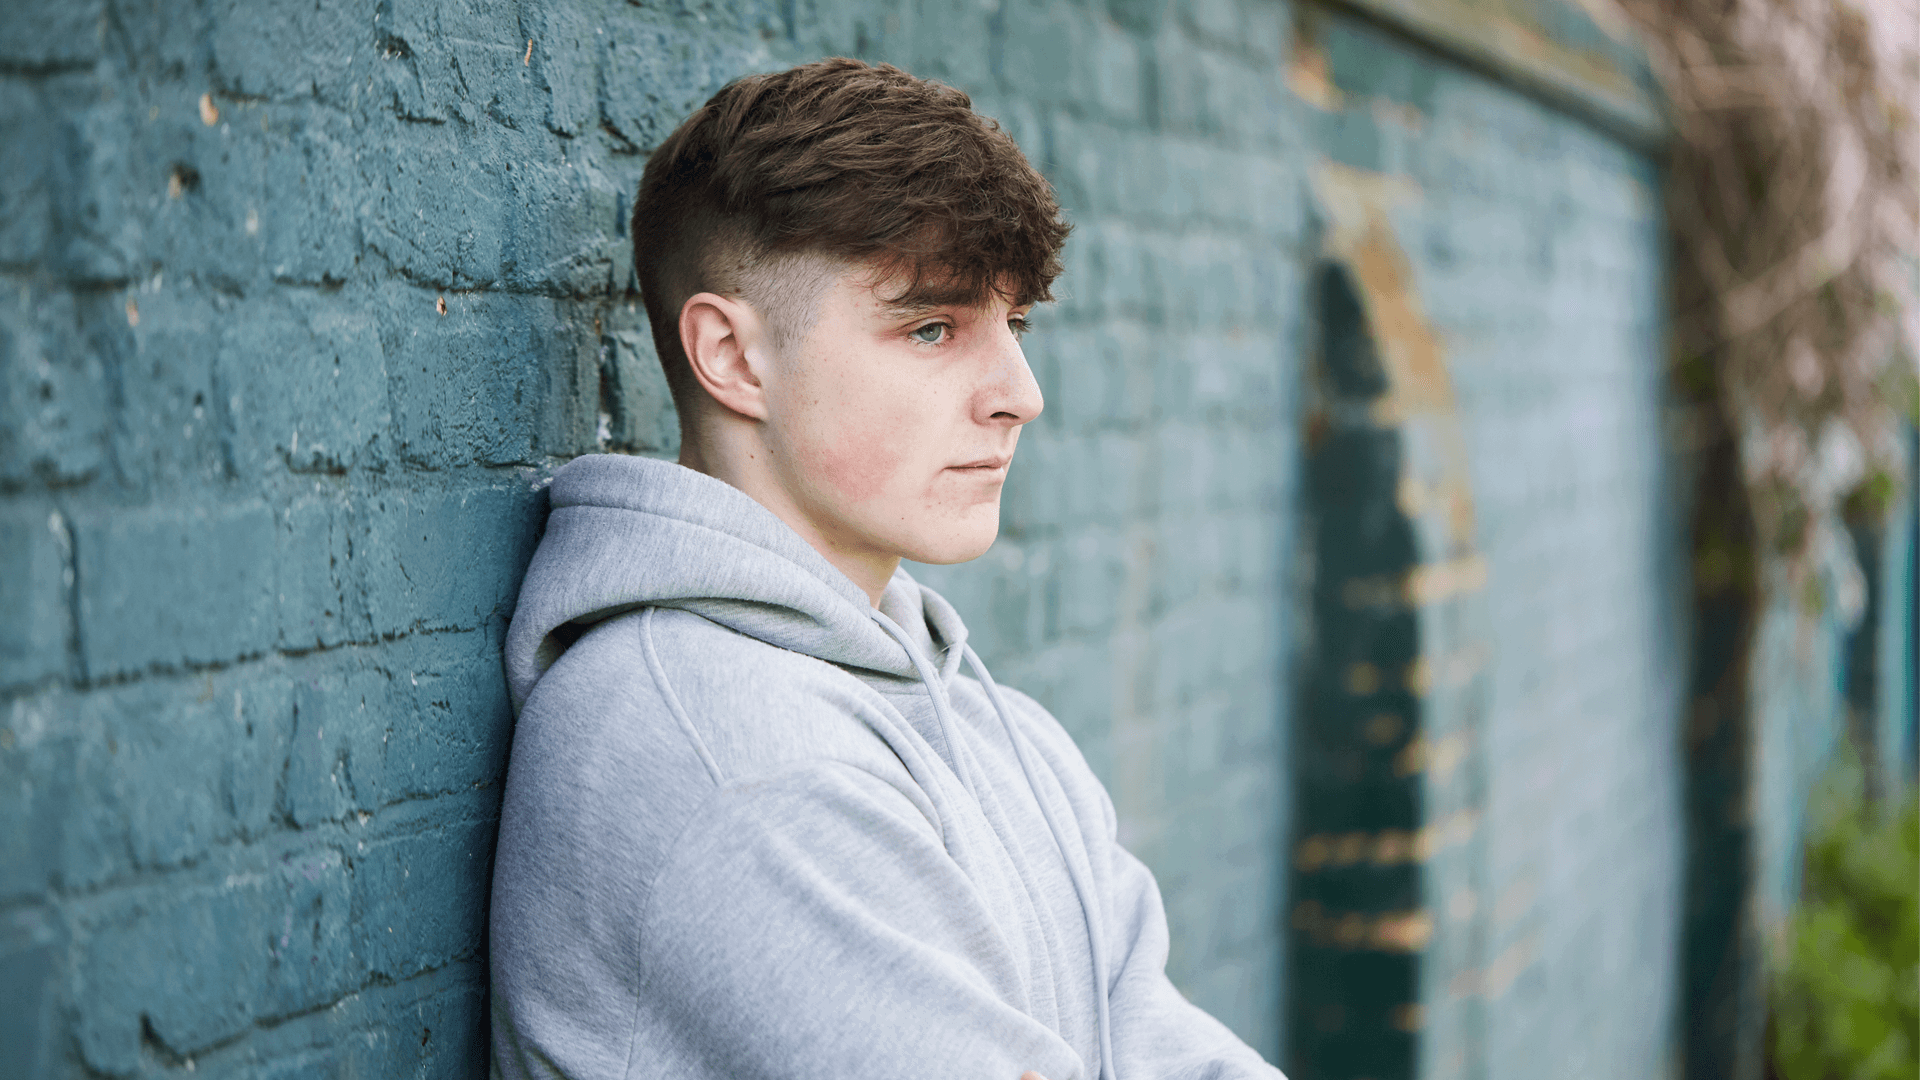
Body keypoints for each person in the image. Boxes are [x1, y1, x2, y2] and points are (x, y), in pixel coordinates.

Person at [488, 57, 1282, 1080]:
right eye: (933, 327)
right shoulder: (728, 755)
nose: (1019, 393)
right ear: (733, 358)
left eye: (1016, 325)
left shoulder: (997, 733)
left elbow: (1164, 1046)